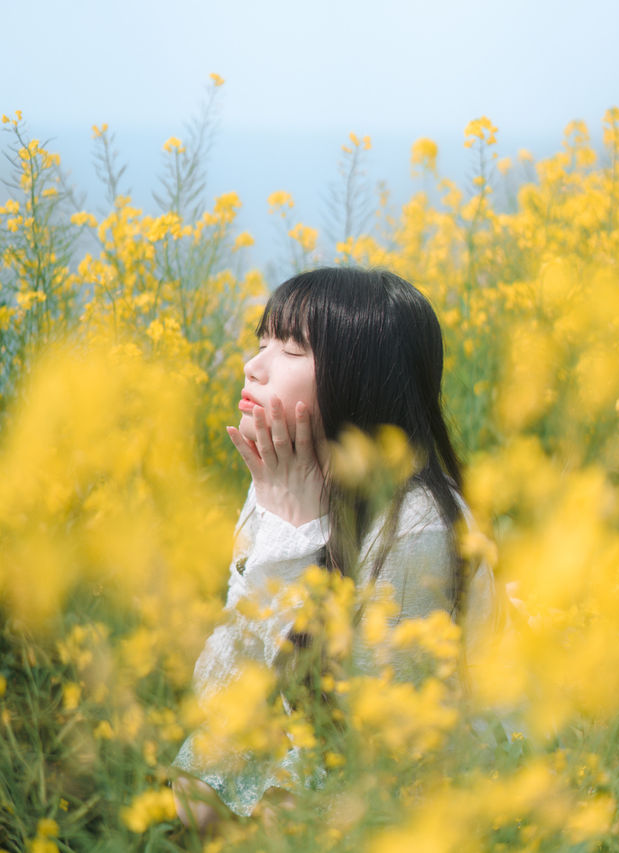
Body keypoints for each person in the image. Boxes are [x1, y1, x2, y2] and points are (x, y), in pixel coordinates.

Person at [172, 266, 496, 833]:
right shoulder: (280, 485)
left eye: (292, 348)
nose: (255, 365)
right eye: (261, 340)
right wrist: (284, 526)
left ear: (361, 378)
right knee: (195, 787)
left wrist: (293, 535)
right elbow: (217, 700)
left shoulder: (416, 521)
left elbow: (386, 739)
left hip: (424, 776)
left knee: (277, 817)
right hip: (322, 736)